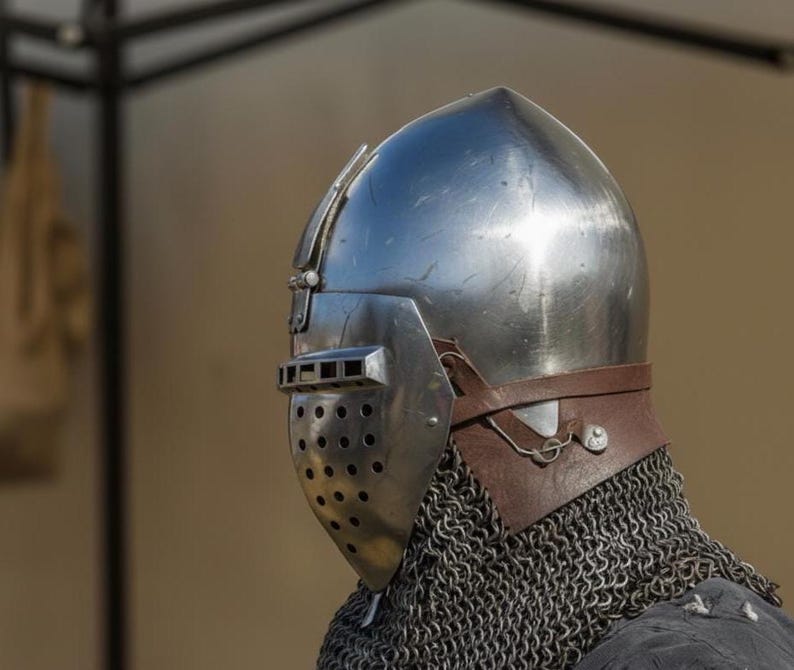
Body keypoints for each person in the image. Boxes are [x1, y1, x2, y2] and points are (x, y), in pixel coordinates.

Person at [277, 87, 793, 669]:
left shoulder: (692, 658)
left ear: (460, 383)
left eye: (349, 383)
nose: (320, 431)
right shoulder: (397, 633)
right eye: (307, 386)